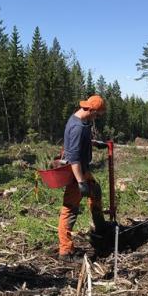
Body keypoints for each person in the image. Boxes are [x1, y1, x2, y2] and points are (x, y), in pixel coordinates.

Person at [57, 95, 108, 261]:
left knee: (96, 191)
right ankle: (65, 251)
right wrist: (80, 182)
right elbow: (74, 158)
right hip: (76, 172)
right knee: (69, 210)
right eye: (97, 115)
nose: (97, 118)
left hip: (83, 170)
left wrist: (94, 143)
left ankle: (100, 227)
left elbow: (78, 142)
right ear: (91, 110)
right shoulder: (78, 127)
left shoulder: (79, 120)